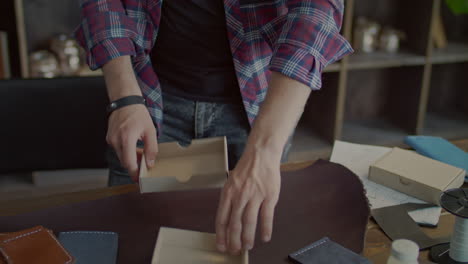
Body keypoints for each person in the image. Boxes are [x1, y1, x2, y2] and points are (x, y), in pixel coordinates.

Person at [75, 0, 351, 255]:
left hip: (258, 106)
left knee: (244, 242)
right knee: (128, 241)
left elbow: (315, 12)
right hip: (145, 96)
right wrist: (124, 97)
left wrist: (264, 150)